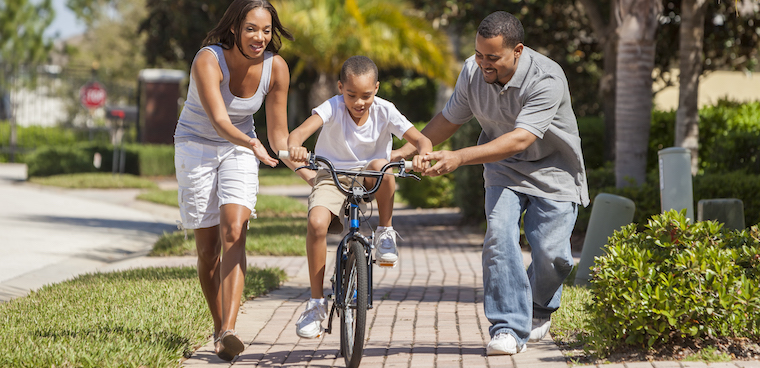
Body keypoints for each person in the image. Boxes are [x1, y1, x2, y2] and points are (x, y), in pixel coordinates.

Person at [394, 11, 589, 355]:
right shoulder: (473, 70)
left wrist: (458, 157)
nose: (483, 63)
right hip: (504, 169)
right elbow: (448, 119)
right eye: (479, 54)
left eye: (493, 57)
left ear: (517, 50)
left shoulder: (546, 78)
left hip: (554, 169)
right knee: (499, 236)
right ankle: (508, 326)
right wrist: (402, 152)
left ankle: (538, 307)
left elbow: (520, 139)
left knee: (555, 256)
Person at [173, 0, 307, 361]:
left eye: (266, 30)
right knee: (207, 250)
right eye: (251, 29)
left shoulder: (276, 69)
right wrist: (252, 143)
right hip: (196, 145)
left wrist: (306, 171)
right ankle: (218, 325)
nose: (259, 37)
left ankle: (229, 330)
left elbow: (279, 138)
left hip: (239, 150)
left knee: (234, 229)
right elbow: (219, 120)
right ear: (235, 28)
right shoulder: (207, 59)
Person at [286, 55, 433, 338]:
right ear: (340, 87)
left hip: (370, 174)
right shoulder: (331, 107)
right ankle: (316, 303)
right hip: (333, 175)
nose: (358, 102)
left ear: (376, 88)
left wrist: (424, 153)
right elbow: (298, 134)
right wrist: (297, 148)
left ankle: (385, 232)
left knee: (383, 165)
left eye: (366, 95)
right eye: (351, 94)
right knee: (317, 224)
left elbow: (421, 139)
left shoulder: (386, 110)